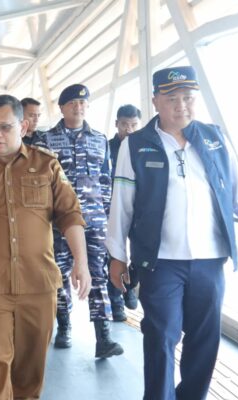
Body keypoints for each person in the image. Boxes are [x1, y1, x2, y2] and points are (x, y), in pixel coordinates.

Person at [106, 66, 238, 400]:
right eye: (172, 98)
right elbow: (122, 205)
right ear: (155, 101)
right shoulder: (136, 145)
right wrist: (116, 256)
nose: (182, 106)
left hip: (209, 261)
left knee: (205, 340)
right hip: (161, 262)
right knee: (161, 335)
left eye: (188, 98)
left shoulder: (215, 139)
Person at [0, 94, 91, 400]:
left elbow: (70, 214)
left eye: (5, 127)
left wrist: (82, 262)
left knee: (29, 372)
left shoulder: (46, 164)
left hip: (38, 285)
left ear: (23, 126)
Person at [33, 84, 123, 358]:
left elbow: (106, 180)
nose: (78, 107)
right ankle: (64, 325)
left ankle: (103, 336)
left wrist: (108, 214)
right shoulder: (45, 141)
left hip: (94, 220)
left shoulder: (100, 139)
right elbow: (37, 184)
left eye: (83, 103)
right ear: (61, 107)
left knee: (97, 274)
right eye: (72, 103)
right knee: (59, 274)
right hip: (58, 221)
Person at [107, 104, 142, 322]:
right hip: (112, 210)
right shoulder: (106, 147)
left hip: (140, 211)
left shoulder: (144, 147)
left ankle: (130, 284)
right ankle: (116, 303)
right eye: (124, 124)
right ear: (116, 124)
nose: (128, 129)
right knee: (113, 256)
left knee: (139, 255)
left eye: (133, 125)